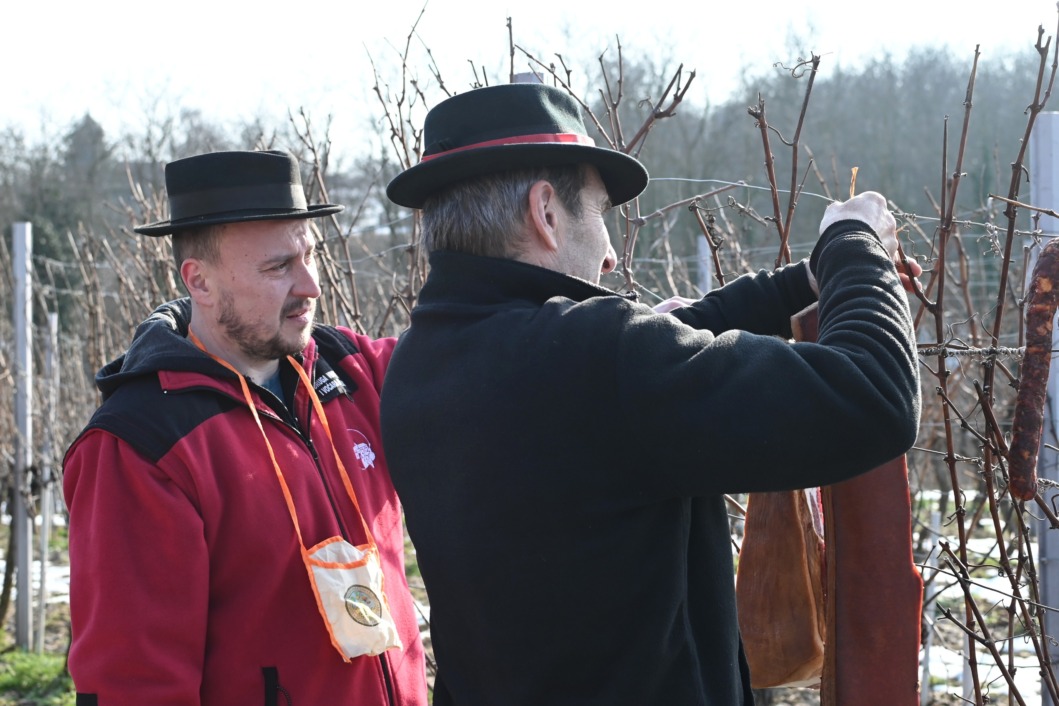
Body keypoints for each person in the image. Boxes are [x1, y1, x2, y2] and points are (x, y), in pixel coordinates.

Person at [379, 83, 922, 705]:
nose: (611, 255)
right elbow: (873, 394)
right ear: (546, 212)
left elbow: (646, 361)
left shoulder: (418, 366)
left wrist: (803, 281)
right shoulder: (596, 358)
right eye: (599, 212)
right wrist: (853, 244)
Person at [63, 150, 428, 705]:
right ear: (200, 282)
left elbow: (469, 361)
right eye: (279, 267)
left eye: (311, 256)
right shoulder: (143, 443)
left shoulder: (355, 371)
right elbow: (132, 683)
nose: (311, 285)